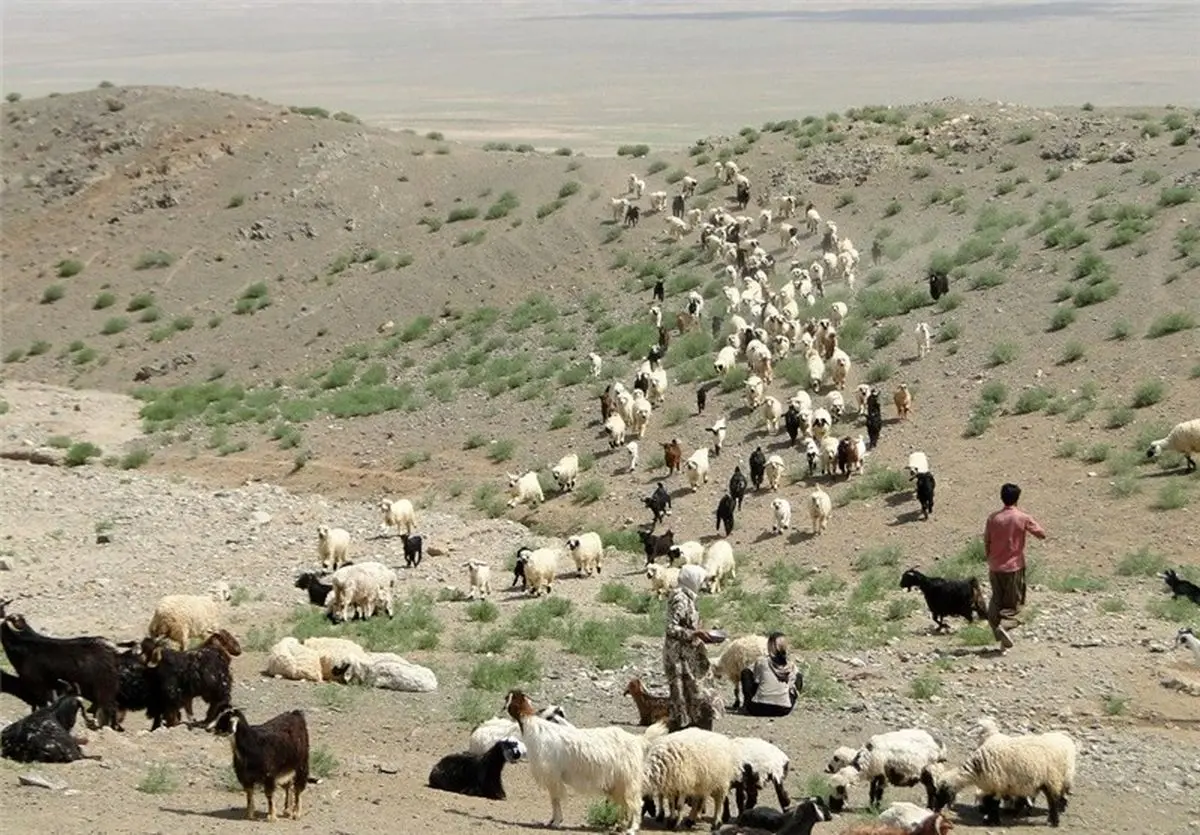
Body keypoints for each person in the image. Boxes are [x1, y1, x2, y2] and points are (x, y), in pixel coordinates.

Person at [983, 482, 1046, 650]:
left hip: (995, 567)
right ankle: (1005, 627)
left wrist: (990, 558)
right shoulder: (1022, 517)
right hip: (1014, 567)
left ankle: (999, 634)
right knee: (1014, 605)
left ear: (1001, 497)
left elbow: (987, 541)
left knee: (996, 600)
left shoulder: (992, 518)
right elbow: (1041, 534)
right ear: (1017, 498)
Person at [662, 570, 716, 731]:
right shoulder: (680, 599)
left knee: (694, 690)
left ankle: (694, 726)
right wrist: (693, 633)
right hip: (679, 655)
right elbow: (671, 627)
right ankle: (685, 729)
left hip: (689, 652)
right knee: (684, 692)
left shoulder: (688, 597)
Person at [739, 632, 801, 717]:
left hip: (757, 708)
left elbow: (756, 681)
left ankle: (747, 705)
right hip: (783, 710)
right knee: (799, 676)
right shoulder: (791, 665)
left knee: (746, 672)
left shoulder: (762, 661)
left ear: (769, 645)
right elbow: (792, 684)